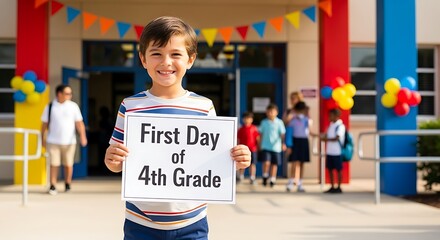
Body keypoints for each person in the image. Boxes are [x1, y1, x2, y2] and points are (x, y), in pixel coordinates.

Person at [103, 16, 251, 240]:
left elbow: (216, 159)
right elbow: (116, 164)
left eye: (175, 54)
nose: (166, 62)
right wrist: (111, 160)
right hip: (140, 222)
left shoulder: (204, 107)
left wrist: (239, 158)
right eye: (156, 54)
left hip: (193, 222)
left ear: (190, 59)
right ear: (143, 59)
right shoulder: (130, 107)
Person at [41, 84, 87, 195]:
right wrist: (42, 139)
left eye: (70, 93)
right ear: (59, 94)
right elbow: (44, 125)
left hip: (69, 141)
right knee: (54, 163)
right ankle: (53, 185)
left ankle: (67, 183)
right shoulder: (51, 106)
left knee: (68, 164)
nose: (70, 95)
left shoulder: (73, 106)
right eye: (67, 93)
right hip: (53, 141)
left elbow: (79, 123)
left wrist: (83, 136)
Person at [285, 101, 311, 192]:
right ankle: (291, 182)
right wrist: (288, 145)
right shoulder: (293, 120)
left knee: (302, 162)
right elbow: (287, 127)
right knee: (294, 162)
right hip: (295, 141)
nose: (300, 112)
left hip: (303, 141)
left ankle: (300, 183)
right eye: (298, 110)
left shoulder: (306, 119)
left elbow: (309, 128)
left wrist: (308, 115)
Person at [258, 103, 286, 187]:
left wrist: (283, 143)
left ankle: (273, 178)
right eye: (269, 111)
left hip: (276, 147)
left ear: (276, 112)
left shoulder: (279, 122)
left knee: (274, 164)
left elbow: (282, 134)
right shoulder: (264, 122)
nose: (270, 113)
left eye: (272, 111)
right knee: (266, 162)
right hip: (266, 146)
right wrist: (259, 144)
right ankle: (265, 175)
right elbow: (261, 134)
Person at [321, 108, 345, 194]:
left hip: (337, 152)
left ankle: (338, 186)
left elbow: (337, 138)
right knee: (330, 169)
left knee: (338, 170)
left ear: (336, 116)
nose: (329, 117)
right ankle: (332, 186)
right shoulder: (331, 125)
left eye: (331, 115)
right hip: (330, 151)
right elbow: (326, 135)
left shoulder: (340, 126)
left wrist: (326, 139)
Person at [237, 111, 260, 184]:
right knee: (242, 163)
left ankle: (252, 177)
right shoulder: (241, 129)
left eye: (249, 118)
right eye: (245, 118)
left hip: (252, 149)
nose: (247, 120)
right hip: (243, 149)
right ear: (243, 119)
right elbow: (238, 139)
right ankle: (241, 176)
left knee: (252, 164)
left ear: (252, 119)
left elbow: (257, 138)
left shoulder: (254, 128)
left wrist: (259, 147)